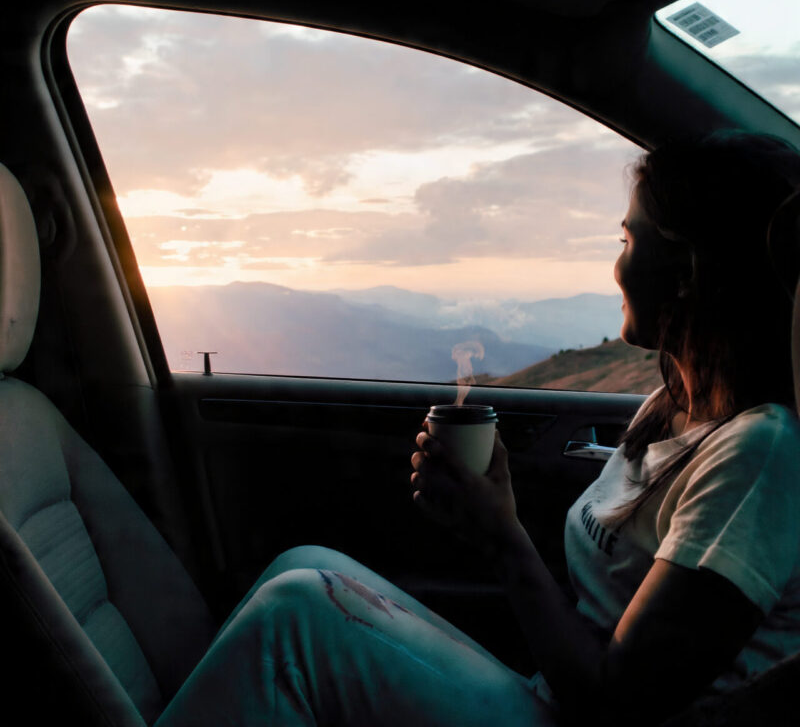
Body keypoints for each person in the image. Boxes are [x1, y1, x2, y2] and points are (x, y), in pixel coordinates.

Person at [156, 132, 800, 727]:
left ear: (687, 273)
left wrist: (502, 534)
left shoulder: (759, 452)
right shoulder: (673, 406)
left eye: (628, 242)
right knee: (303, 565)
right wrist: (495, 516)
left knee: (292, 618)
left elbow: (616, 705)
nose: (615, 267)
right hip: (554, 694)